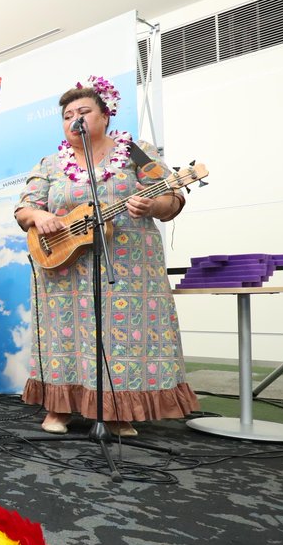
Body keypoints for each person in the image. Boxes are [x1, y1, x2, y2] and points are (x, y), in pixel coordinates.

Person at [13, 76, 199, 436]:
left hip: (127, 264)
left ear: (105, 116)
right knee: (64, 337)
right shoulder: (51, 164)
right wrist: (41, 216)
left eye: (84, 111)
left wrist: (152, 205)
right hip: (64, 267)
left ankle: (117, 412)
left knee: (120, 337)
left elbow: (173, 199)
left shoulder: (135, 151)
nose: (75, 119)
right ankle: (59, 408)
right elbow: (24, 209)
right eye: (68, 114)